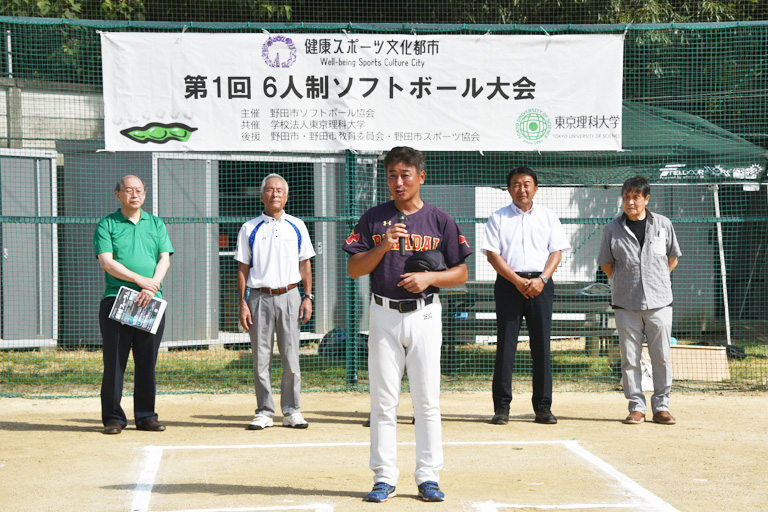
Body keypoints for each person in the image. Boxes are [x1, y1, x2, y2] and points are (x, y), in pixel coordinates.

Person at [343, 146, 472, 503]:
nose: (398, 182)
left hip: (425, 314)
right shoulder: (373, 218)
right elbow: (355, 269)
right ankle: (384, 477)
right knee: (383, 401)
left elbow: (461, 272)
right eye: (392, 176)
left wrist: (430, 280)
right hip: (383, 314)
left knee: (426, 400)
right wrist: (383, 246)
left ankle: (428, 476)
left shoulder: (440, 221)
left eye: (405, 175)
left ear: (421, 177)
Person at [481, 166, 570, 426]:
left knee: (541, 346)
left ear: (536, 188)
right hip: (510, 284)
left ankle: (543, 407)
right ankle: (501, 407)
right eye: (517, 184)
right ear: (509, 189)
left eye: (527, 184)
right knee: (506, 346)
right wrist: (517, 280)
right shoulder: (497, 218)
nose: (522, 189)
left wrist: (542, 279)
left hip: (541, 285)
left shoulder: (548, 216)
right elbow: (492, 255)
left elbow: (556, 252)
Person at [597, 176, 681, 425]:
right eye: (626, 196)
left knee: (662, 356)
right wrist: (626, 283)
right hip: (626, 304)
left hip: (660, 303)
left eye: (635, 197)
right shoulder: (611, 229)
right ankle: (636, 407)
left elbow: (672, 257)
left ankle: (662, 407)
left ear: (647, 199)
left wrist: (656, 280)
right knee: (629, 358)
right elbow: (605, 263)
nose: (630, 201)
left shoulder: (663, 225)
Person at [94, 175, 174, 435]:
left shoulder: (156, 223)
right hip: (117, 300)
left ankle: (146, 416)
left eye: (139, 190)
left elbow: (164, 258)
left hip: (150, 302)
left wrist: (151, 287)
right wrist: (140, 281)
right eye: (128, 190)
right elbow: (107, 262)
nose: (134, 194)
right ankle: (114, 418)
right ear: (118, 194)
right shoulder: (107, 224)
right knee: (115, 362)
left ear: (145, 194)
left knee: (147, 361)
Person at [235, 174, 315, 430]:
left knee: (291, 356)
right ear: (262, 196)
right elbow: (242, 268)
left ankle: (292, 411)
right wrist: (243, 302)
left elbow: (305, 263)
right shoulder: (249, 227)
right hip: (259, 297)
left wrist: (308, 297)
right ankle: (265, 411)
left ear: (287, 196)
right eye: (270, 190)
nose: (275, 194)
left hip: (291, 296)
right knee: (261, 357)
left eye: (280, 190)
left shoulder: (298, 225)